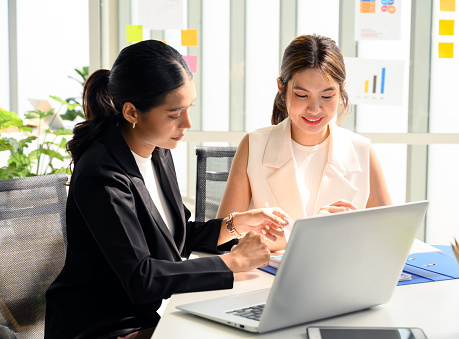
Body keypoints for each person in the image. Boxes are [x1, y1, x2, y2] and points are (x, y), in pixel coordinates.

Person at [44, 40, 289, 339]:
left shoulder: (157, 150)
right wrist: (232, 262)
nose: (187, 123)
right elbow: (141, 277)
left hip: (145, 318)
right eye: (174, 114)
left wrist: (237, 223)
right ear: (132, 113)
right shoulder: (102, 173)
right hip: (102, 327)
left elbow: (174, 240)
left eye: (189, 108)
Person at [217, 34, 392, 251]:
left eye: (327, 97)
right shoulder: (254, 145)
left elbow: (390, 237)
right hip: (269, 279)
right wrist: (311, 230)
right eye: (302, 95)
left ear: (342, 91)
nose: (315, 109)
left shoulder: (361, 150)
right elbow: (223, 239)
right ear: (282, 88)